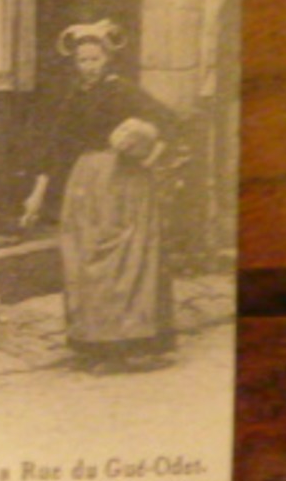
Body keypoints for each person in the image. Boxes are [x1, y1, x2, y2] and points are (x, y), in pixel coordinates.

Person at [20, 20, 180, 371]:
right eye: (82, 60)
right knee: (85, 259)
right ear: (75, 63)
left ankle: (126, 345)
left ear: (107, 59)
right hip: (85, 185)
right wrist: (37, 194)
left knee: (123, 262)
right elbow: (56, 147)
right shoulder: (75, 96)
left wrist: (147, 150)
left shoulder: (122, 90)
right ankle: (94, 342)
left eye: (94, 59)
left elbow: (169, 121)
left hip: (123, 183)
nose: (88, 66)